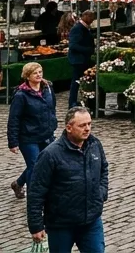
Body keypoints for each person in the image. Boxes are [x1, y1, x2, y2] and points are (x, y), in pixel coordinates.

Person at [26, 107, 107, 253]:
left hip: (91, 220)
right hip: (61, 224)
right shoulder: (50, 154)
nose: (87, 129)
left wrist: (101, 193)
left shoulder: (95, 145)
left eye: (89, 124)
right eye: (82, 125)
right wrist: (36, 225)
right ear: (69, 128)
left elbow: (103, 169)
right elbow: (36, 191)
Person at [8, 63, 56, 200]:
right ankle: (33, 199)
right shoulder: (21, 95)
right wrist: (13, 142)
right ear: (27, 76)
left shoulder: (48, 88)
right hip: (28, 137)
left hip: (46, 134)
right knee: (34, 166)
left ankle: (18, 183)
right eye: (35, 73)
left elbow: (52, 108)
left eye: (40, 72)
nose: (39, 75)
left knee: (43, 163)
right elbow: (14, 119)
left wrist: (52, 124)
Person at [65, 11, 95, 109]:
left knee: (82, 80)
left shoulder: (85, 28)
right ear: (84, 16)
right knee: (76, 81)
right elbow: (73, 45)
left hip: (84, 59)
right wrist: (88, 50)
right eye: (90, 16)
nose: (92, 19)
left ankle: (81, 101)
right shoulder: (77, 28)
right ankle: (72, 102)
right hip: (78, 60)